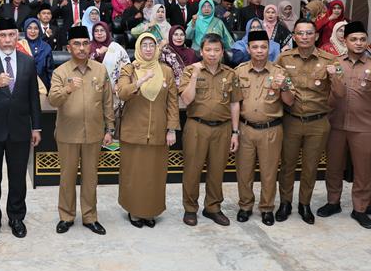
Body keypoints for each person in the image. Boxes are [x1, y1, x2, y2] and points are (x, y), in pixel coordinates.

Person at [0, 18, 42, 240]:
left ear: (17, 36)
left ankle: (16, 217)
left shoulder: (27, 61)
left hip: (19, 129)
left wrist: (36, 127)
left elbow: (33, 97)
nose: (7, 40)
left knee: (18, 177)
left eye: (11, 35)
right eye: (3, 35)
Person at [317, 21, 371, 229]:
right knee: (334, 167)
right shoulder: (335, 63)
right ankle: (333, 202)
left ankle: (360, 208)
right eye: (354, 39)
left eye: (362, 39)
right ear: (345, 41)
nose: (358, 43)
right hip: (336, 125)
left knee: (363, 170)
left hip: (364, 127)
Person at [48, 25, 114, 235]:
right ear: (69, 48)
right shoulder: (60, 72)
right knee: (67, 177)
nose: (82, 48)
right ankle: (66, 216)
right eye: (77, 44)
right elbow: (52, 100)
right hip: (68, 133)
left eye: (85, 43)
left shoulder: (100, 70)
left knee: (91, 178)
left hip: (94, 133)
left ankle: (90, 217)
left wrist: (110, 128)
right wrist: (67, 89)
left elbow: (108, 101)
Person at [275, 19, 338, 225]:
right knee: (287, 165)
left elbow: (339, 91)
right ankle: (285, 203)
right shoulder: (284, 58)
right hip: (291, 120)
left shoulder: (329, 60)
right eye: (300, 33)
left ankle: (304, 204)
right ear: (294, 36)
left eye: (309, 33)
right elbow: (275, 85)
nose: (304, 37)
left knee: (310, 167)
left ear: (316, 36)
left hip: (318, 121)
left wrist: (335, 77)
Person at [179, 33, 242, 226]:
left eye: (216, 50)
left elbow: (235, 104)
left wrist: (235, 132)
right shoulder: (190, 71)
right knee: (192, 170)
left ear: (222, 52)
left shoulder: (230, 74)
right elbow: (186, 99)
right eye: (208, 50)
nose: (212, 54)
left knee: (217, 170)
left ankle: (213, 208)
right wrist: (195, 76)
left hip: (222, 128)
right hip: (196, 126)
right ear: (201, 51)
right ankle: (190, 209)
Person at [117, 33, 179, 227]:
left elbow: (172, 102)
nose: (148, 49)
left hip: (158, 132)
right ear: (138, 47)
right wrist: (139, 82)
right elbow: (122, 93)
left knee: (154, 175)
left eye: (152, 45)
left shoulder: (166, 71)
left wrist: (172, 129)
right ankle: (134, 211)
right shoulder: (129, 69)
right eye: (144, 45)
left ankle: (150, 211)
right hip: (133, 131)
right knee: (133, 174)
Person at [234, 30, 295, 226]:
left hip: (271, 129)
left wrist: (284, 86)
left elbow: (290, 101)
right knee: (244, 171)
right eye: (255, 47)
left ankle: (267, 208)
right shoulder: (239, 71)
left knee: (269, 172)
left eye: (263, 47)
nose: (259, 50)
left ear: (269, 49)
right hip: (245, 128)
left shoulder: (279, 72)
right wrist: (234, 131)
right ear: (248, 49)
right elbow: (234, 103)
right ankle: (245, 206)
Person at [89, 22, 130, 109]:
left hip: (115, 89)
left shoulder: (115, 47)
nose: (99, 33)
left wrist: (119, 84)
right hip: (94, 89)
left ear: (107, 32)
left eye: (102, 30)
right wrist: (97, 54)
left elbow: (126, 65)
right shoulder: (89, 47)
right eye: (96, 31)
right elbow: (86, 65)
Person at [17, 18, 54, 90]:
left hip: (42, 87)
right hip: (23, 87)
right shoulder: (19, 46)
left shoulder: (46, 47)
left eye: (36, 28)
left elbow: (50, 72)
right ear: (25, 29)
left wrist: (51, 90)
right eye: (29, 28)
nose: (33, 31)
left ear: (39, 30)